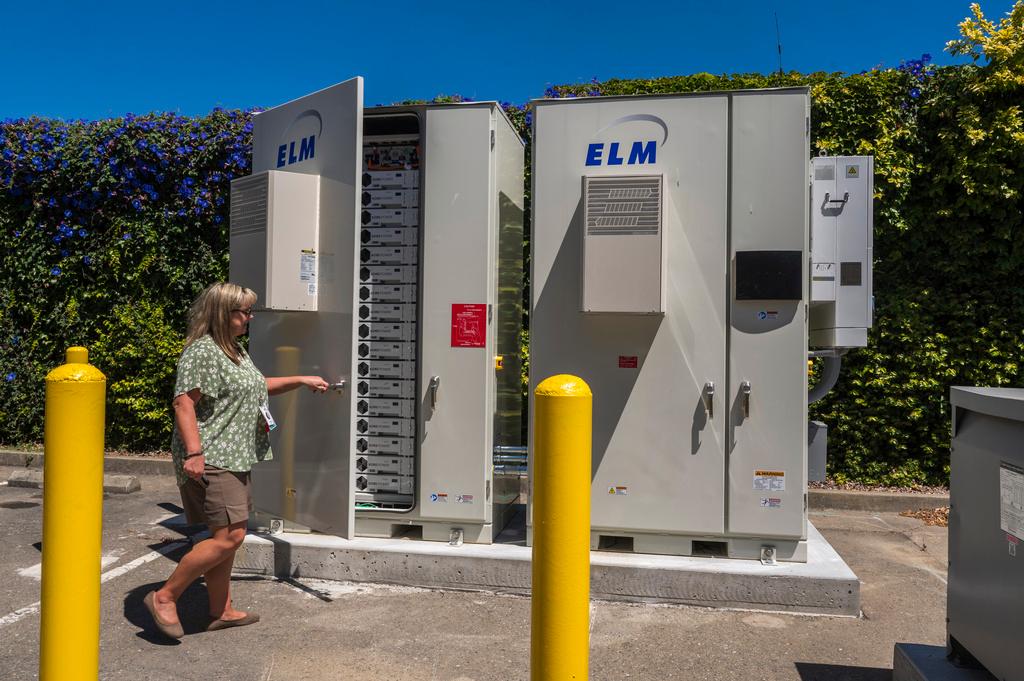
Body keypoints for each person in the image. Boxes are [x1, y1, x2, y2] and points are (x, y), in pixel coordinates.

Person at [143, 282, 329, 638]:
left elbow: (259, 386)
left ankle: (220, 610)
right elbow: (184, 403)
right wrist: (195, 453)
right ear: (222, 314)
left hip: (234, 456)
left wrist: (301, 379)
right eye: (244, 312)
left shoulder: (235, 351)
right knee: (231, 536)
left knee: (223, 535)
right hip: (213, 455)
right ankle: (165, 597)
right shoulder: (203, 352)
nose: (249, 318)